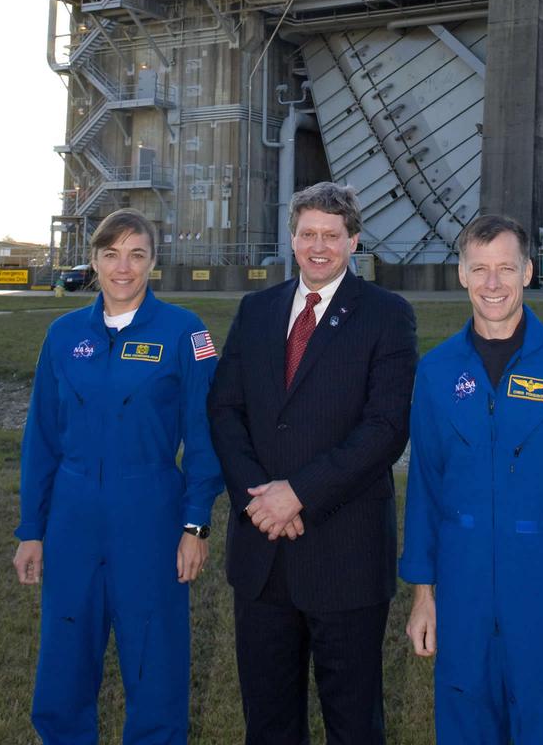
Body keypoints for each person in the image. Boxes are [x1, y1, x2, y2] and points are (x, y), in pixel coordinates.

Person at [401, 214, 543, 745]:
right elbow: (426, 489)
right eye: (479, 269)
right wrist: (422, 593)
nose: (492, 284)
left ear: (528, 271)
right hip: (463, 600)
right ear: (461, 273)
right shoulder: (437, 372)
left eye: (506, 268)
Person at [208, 181, 418, 745]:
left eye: (331, 235)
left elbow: (385, 429)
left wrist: (297, 494)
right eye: (307, 234)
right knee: (269, 722)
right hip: (262, 555)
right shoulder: (256, 311)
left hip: (343, 554)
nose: (318, 246)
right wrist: (261, 499)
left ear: (353, 240)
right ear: (292, 238)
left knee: (353, 724)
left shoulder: (387, 315)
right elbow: (224, 410)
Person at [13, 208, 223, 745]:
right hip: (73, 515)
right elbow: (42, 438)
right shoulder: (63, 335)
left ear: (154, 261)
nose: (122, 268)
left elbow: (205, 436)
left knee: (156, 661)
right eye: (110, 254)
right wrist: (30, 530)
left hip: (150, 513)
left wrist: (195, 525)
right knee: (64, 659)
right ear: (94, 261)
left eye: (136, 254)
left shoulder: (186, 332)